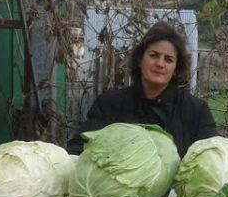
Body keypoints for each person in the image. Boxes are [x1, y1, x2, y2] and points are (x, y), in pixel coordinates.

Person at [66, 21, 218, 157]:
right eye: (153, 55)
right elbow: (78, 148)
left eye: (168, 59)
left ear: (176, 69)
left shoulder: (196, 110)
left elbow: (212, 158)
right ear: (140, 59)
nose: (160, 64)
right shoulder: (109, 104)